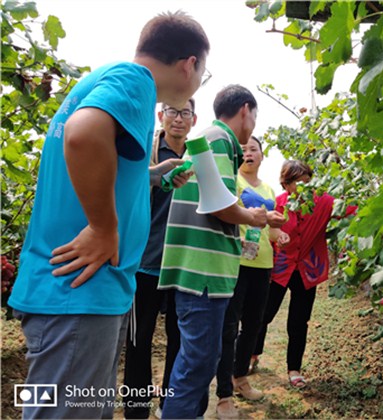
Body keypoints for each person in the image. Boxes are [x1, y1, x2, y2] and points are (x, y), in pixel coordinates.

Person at [8, 11, 210, 419]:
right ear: (190, 64)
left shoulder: (103, 79)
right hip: (79, 292)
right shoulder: (135, 81)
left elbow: (99, 159)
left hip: (75, 291)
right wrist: (103, 228)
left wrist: (152, 175)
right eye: (204, 71)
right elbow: (83, 135)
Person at [158, 85, 285, 420]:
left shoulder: (212, 140)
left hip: (201, 270)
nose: (253, 124)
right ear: (246, 110)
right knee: (198, 361)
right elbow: (218, 205)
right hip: (202, 272)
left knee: (199, 359)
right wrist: (252, 216)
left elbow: (212, 198)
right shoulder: (219, 140)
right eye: (255, 115)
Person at [253, 160, 357, 389]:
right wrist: (278, 234)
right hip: (280, 266)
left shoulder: (325, 202)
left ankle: (294, 370)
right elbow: (272, 228)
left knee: (299, 322)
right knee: (264, 314)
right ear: (286, 184)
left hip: (308, 269)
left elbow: (350, 209)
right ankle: (253, 354)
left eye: (307, 182)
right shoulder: (278, 204)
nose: (302, 187)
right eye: (296, 182)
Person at [123, 99, 197, 419]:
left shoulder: (200, 157)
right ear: (160, 115)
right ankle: (137, 409)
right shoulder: (145, 153)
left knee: (179, 341)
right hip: (146, 263)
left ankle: (171, 404)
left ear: (194, 119)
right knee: (139, 341)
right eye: (172, 111)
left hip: (183, 265)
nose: (178, 119)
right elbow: (122, 188)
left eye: (185, 113)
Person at [215, 136, 289, 419]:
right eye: (244, 149)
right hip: (237, 263)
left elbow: (268, 231)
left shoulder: (269, 187)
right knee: (229, 326)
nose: (248, 153)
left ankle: (239, 377)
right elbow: (230, 214)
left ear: (261, 155)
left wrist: (278, 233)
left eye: (254, 149)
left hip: (262, 263)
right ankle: (223, 394)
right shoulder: (233, 181)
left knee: (254, 325)